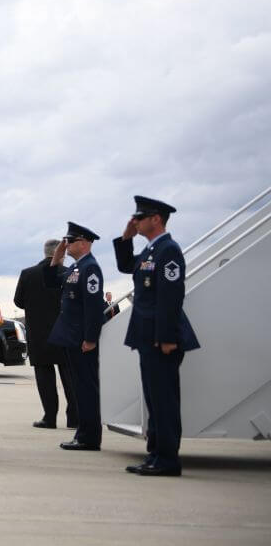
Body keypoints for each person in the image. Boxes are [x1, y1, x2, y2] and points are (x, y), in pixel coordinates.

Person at [114, 196, 201, 477]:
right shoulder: (151, 251)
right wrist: (125, 239)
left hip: (161, 339)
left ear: (156, 219)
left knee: (164, 401)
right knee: (154, 399)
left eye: (140, 218)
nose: (135, 222)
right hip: (146, 336)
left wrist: (166, 337)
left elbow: (171, 297)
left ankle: (167, 459)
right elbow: (126, 266)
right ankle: (155, 454)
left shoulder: (168, 250)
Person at [44, 222, 105, 451]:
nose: (66, 244)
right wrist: (57, 257)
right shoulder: (76, 268)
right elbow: (51, 281)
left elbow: (93, 306)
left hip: (82, 340)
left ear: (84, 243)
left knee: (86, 387)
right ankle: (83, 433)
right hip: (71, 337)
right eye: (66, 241)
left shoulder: (90, 268)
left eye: (70, 241)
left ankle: (90, 437)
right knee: (80, 387)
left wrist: (91, 338)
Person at [14, 238, 79, 430]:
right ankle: (74, 418)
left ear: (45, 252)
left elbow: (18, 301)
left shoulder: (28, 274)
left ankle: (49, 418)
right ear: (62, 253)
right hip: (65, 332)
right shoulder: (70, 272)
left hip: (39, 334)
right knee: (70, 378)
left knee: (45, 378)